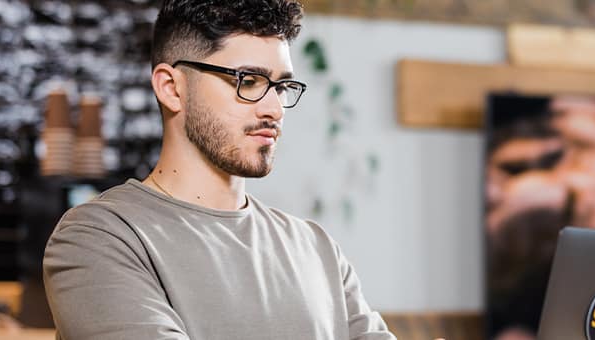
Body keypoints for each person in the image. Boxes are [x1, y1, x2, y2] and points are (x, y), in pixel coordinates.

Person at [42, 1, 396, 339]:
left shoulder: (317, 250)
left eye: (282, 86)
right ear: (171, 88)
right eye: (249, 81)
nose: (274, 108)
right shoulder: (100, 237)